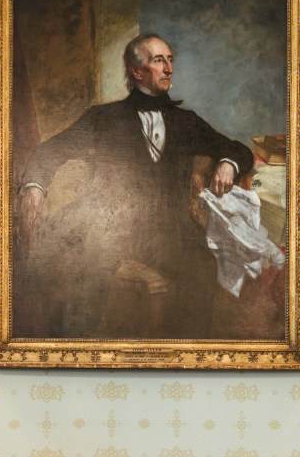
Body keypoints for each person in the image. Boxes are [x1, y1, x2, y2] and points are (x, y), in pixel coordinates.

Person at [13, 33, 255, 340]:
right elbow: (50, 151)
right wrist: (33, 186)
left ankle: (188, 357)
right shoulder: (103, 118)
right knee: (83, 275)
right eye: (158, 60)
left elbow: (238, 149)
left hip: (171, 231)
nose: (168, 68)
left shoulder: (186, 121)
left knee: (202, 269)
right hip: (109, 229)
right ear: (136, 71)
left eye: (170, 60)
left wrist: (226, 163)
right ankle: (76, 353)